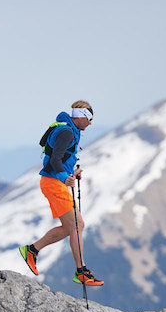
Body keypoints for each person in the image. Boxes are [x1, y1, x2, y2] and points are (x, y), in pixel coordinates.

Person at [19, 100, 104, 286]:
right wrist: (65, 177)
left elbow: (58, 159)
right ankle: (81, 272)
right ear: (80, 116)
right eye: (89, 118)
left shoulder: (68, 129)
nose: (90, 123)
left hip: (54, 182)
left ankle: (32, 250)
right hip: (54, 183)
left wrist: (70, 174)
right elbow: (55, 160)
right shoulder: (66, 132)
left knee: (70, 228)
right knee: (77, 225)